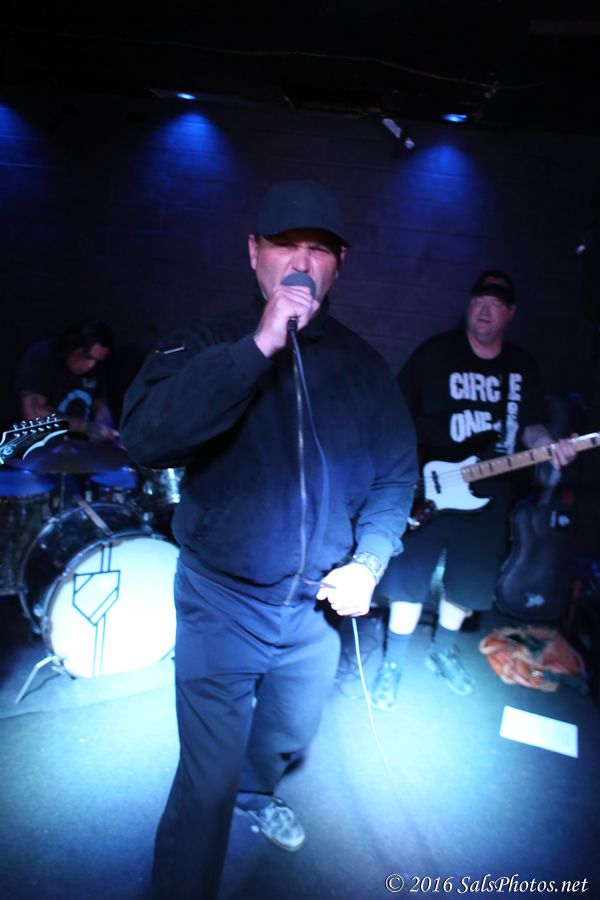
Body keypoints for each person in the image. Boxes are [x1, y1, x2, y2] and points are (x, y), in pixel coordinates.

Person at [119, 179, 417, 899]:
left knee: (286, 734)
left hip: (314, 615)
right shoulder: (205, 341)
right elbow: (147, 437)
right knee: (206, 785)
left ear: (339, 263)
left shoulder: (366, 368)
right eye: (286, 245)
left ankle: (259, 793)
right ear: (254, 252)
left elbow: (396, 475)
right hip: (222, 604)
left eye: (320, 249)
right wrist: (257, 347)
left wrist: (370, 560)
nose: (301, 263)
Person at [370, 270, 576, 709]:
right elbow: (395, 410)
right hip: (429, 486)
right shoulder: (435, 353)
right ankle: (392, 663)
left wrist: (547, 444)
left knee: (466, 586)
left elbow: (531, 426)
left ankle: (442, 654)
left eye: (496, 304)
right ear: (469, 304)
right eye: (480, 300)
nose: (486, 310)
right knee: (408, 581)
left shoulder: (521, 367)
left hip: (490, 494)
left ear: (510, 313)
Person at [16, 319, 118, 441]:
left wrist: (107, 432)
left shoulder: (96, 369)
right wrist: (85, 427)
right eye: (87, 357)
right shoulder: (42, 357)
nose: (91, 365)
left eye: (97, 361)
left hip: (79, 447)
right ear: (72, 347)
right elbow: (33, 415)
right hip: (39, 445)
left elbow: (101, 406)